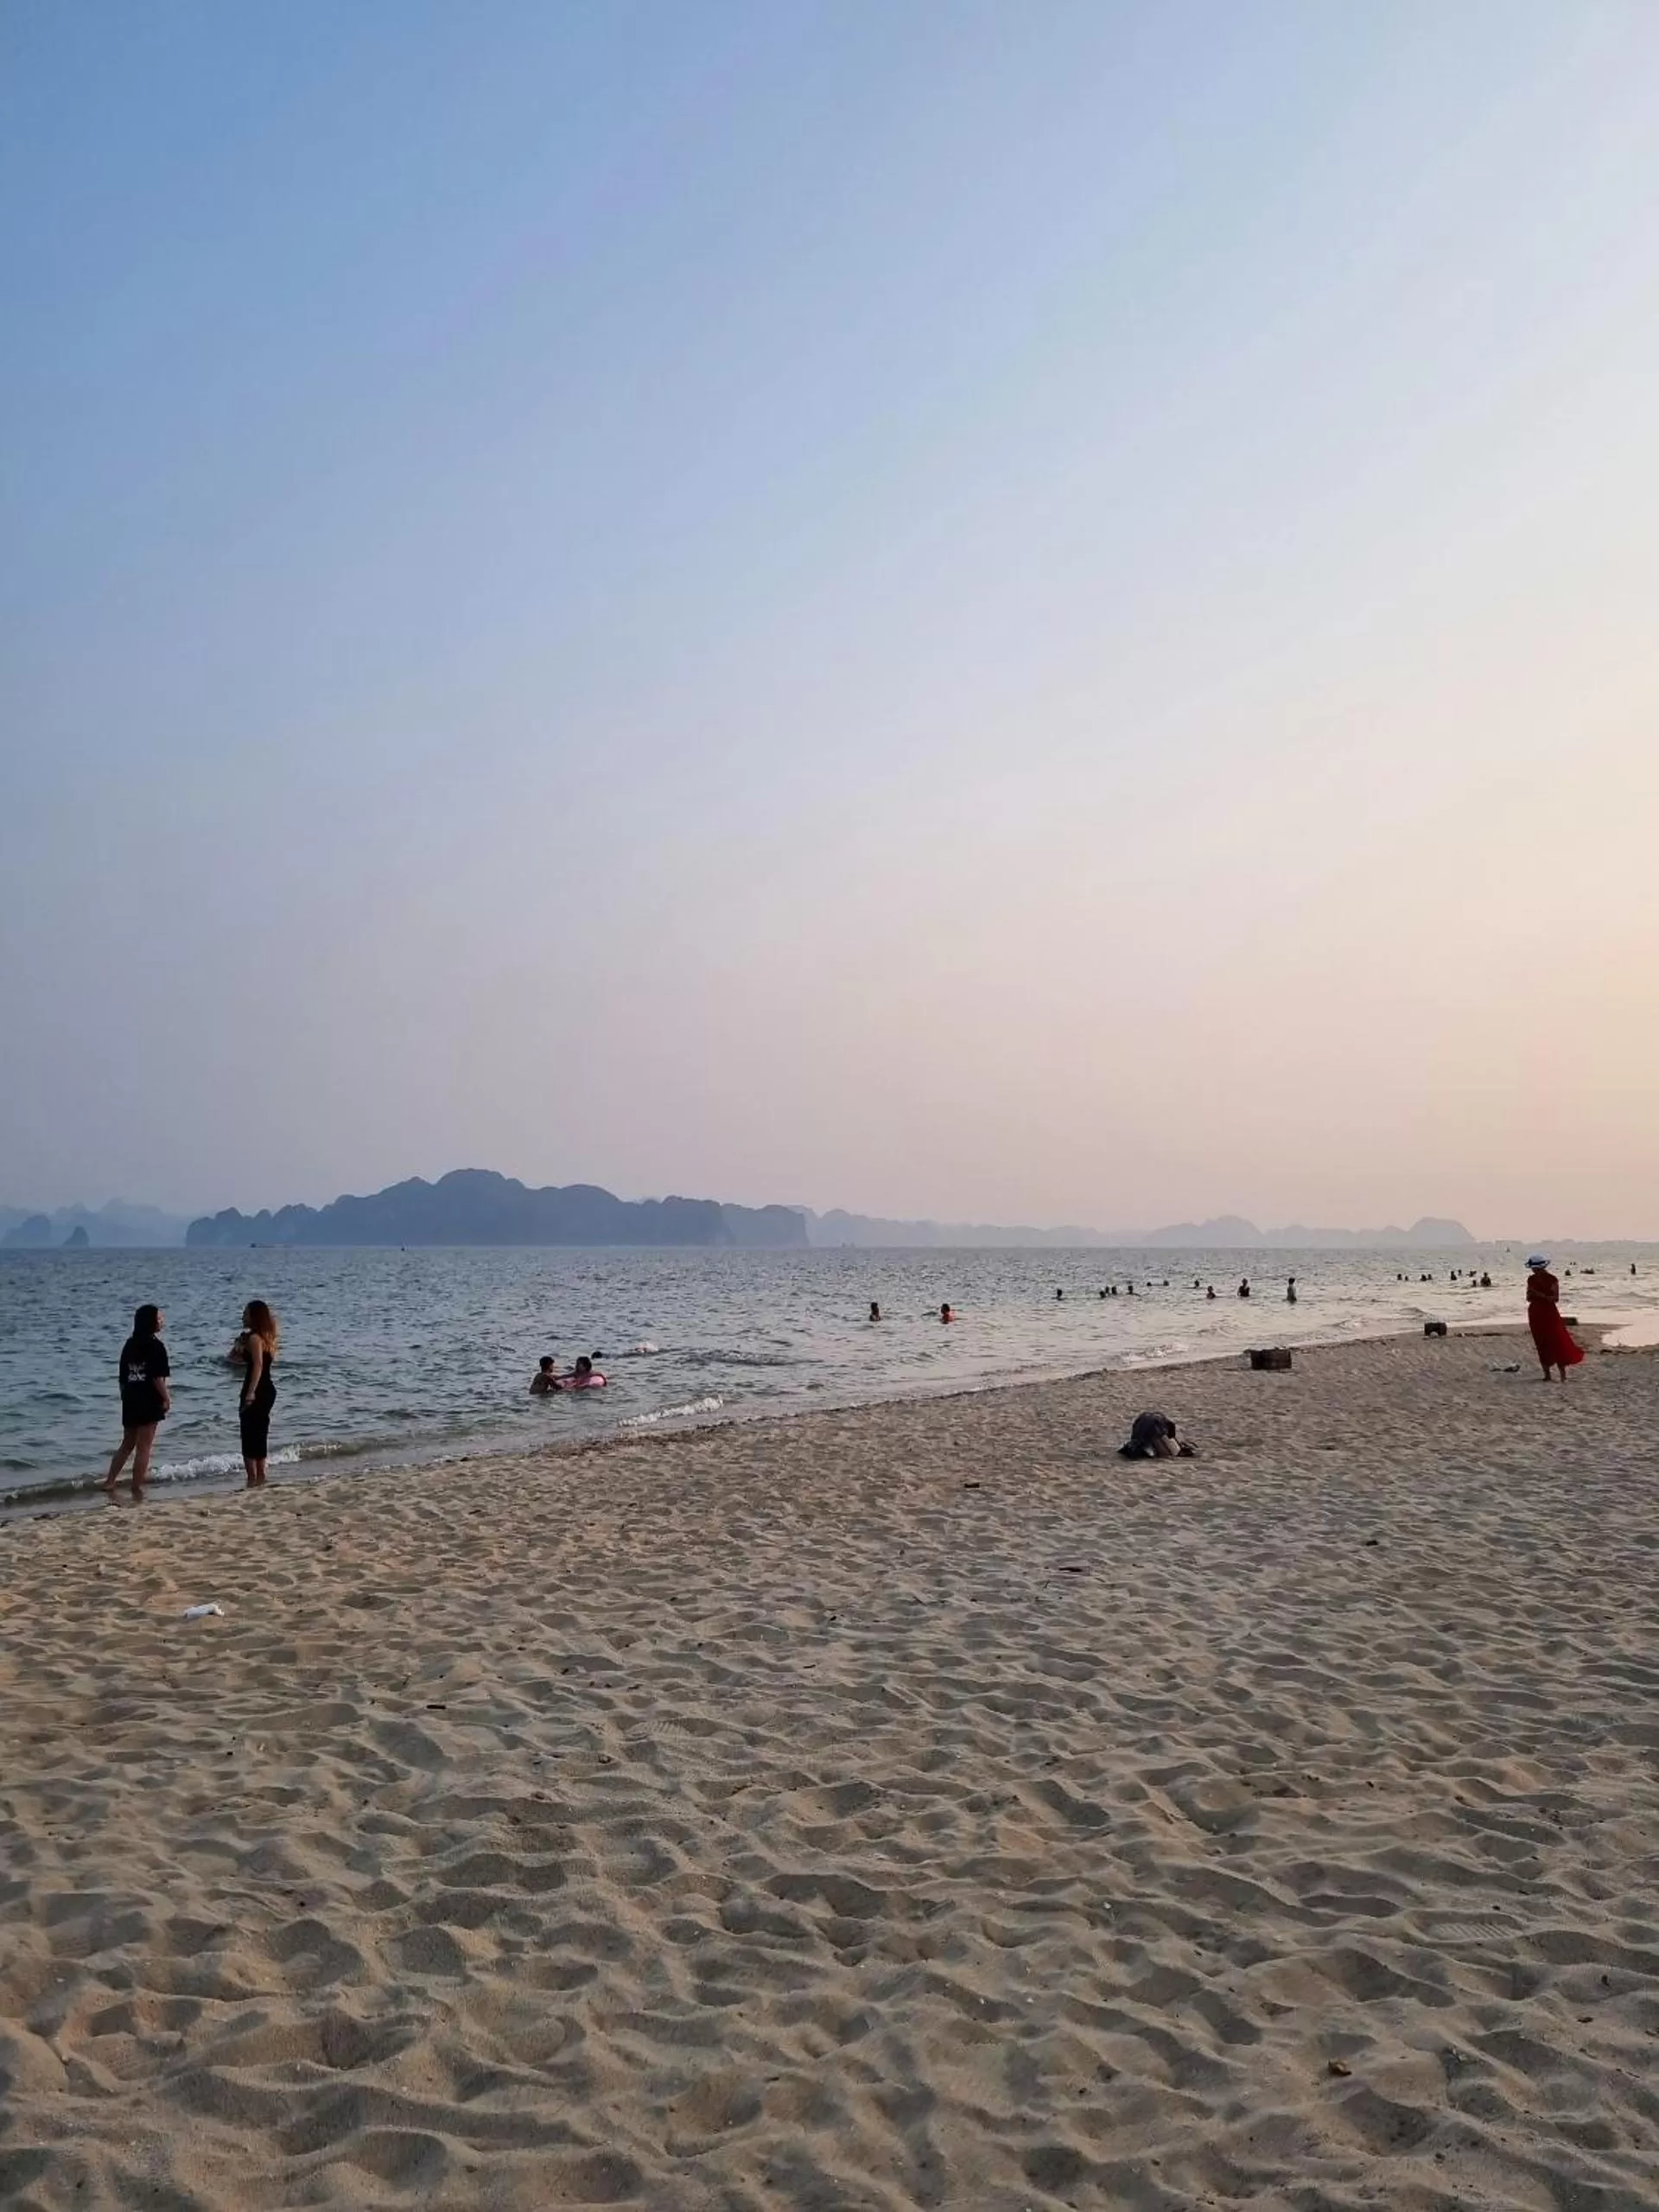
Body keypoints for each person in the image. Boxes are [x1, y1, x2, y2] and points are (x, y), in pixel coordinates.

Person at [105, 1302, 170, 1497]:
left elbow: (122, 1377)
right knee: (144, 1447)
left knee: (127, 1443)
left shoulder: (129, 1344)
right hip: (150, 1399)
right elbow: (157, 1377)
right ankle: (136, 1486)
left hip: (131, 1398)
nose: (162, 1321)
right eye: (159, 1318)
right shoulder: (156, 1346)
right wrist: (166, 1398)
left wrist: (124, 1397)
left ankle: (109, 1481)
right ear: (150, 1323)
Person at [230, 1300, 279, 1485]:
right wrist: (238, 1346)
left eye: (246, 1313)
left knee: (249, 1433)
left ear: (254, 1316)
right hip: (267, 1389)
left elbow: (257, 1365)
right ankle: (260, 1475)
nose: (243, 1316)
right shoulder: (265, 1338)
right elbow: (234, 1361)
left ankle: (253, 1477)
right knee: (260, 1432)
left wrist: (251, 1392)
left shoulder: (254, 1339)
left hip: (256, 1388)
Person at [1525, 1255, 1584, 1382]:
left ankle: (1562, 1375)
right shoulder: (1531, 1279)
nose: (1533, 1270)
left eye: (1534, 1268)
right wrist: (1535, 1295)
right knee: (1541, 1342)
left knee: (1556, 1340)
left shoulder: (1552, 1279)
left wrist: (1539, 1295)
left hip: (1548, 1312)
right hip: (1536, 1312)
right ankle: (1547, 1375)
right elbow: (1528, 1297)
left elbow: (1555, 1298)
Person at [1117, 1410, 1198, 1460]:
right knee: (1166, 1454)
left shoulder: (1155, 1419)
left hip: (1140, 1425)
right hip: (1153, 1427)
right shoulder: (1167, 1424)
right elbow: (1170, 1435)